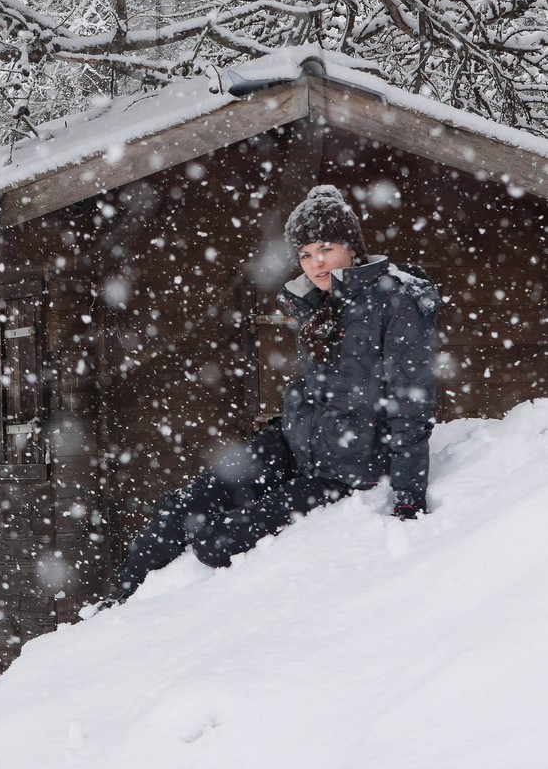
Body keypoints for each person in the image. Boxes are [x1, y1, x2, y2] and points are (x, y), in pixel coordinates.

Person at [108, 185, 440, 602]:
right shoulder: (318, 303)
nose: (315, 262)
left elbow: (411, 403)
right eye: (304, 254)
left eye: (326, 248)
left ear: (352, 248)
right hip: (297, 444)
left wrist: (408, 496)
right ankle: (116, 603)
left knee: (215, 543)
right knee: (181, 507)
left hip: (345, 469)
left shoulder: (394, 302)